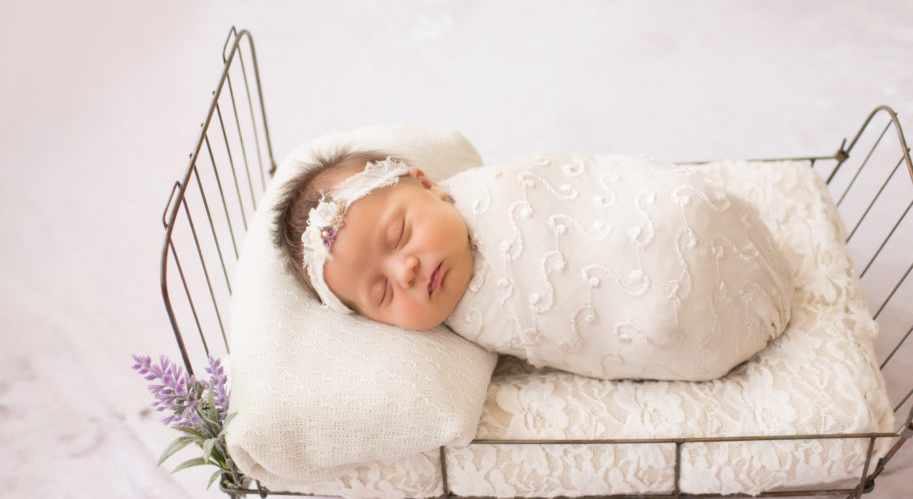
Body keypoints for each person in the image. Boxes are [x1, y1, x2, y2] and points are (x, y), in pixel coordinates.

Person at [273, 149, 794, 381]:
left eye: (399, 235)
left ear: (429, 186)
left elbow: (588, 182)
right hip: (692, 323)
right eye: (382, 294)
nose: (405, 271)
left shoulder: (495, 188)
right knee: (660, 319)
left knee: (677, 216)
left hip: (683, 220)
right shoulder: (471, 327)